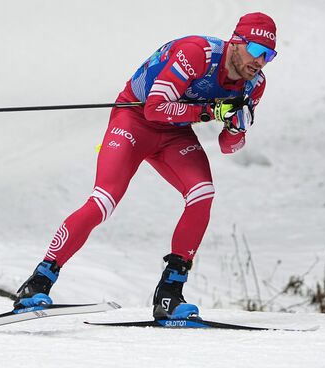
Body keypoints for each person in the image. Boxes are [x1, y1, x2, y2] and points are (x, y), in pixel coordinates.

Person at [14, 12, 278, 320]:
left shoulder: (254, 85)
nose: (260, 61)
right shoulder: (197, 53)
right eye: (257, 51)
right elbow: (154, 109)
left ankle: (169, 295)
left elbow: (227, 146)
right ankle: (38, 283)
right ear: (236, 42)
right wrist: (210, 111)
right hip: (135, 120)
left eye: (269, 55)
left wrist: (237, 128)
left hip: (175, 132)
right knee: (104, 199)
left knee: (202, 193)